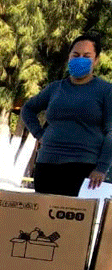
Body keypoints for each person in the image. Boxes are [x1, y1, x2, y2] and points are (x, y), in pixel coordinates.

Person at [21, 33, 112, 196]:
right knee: (43, 219)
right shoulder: (55, 88)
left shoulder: (106, 91)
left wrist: (101, 168)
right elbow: (27, 109)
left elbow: (110, 132)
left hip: (83, 168)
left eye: (87, 56)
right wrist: (39, 134)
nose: (80, 59)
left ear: (96, 60)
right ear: (69, 57)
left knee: (73, 219)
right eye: (75, 55)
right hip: (47, 164)